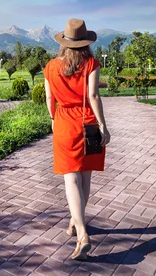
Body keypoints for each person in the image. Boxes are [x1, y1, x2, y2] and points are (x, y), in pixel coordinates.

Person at [43, 18, 111, 260]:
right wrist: (103, 126)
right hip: (87, 123)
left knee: (70, 179)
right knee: (85, 177)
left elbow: (49, 99)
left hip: (63, 122)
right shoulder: (91, 63)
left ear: (64, 42)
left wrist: (53, 119)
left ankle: (79, 229)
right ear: (85, 42)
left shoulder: (50, 67)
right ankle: (78, 225)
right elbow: (93, 95)